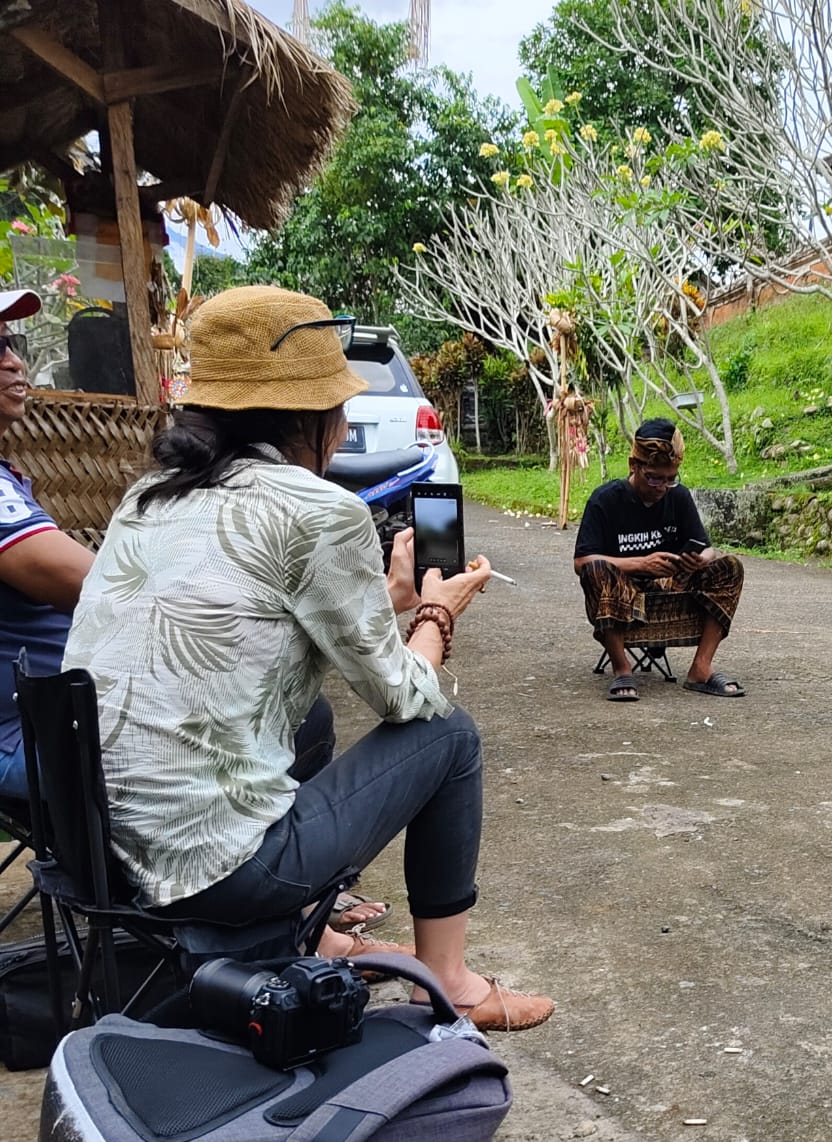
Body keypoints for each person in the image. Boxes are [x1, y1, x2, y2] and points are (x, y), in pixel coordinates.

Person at [64, 285, 552, 1031]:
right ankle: (448, 982)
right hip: (217, 872)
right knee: (450, 736)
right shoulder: (318, 510)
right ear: (310, 416)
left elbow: (267, 625)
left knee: (313, 718)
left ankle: (310, 936)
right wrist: (435, 612)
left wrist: (385, 599)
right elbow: (405, 698)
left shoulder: (150, 496)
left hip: (103, 851)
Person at [574, 418, 746, 701]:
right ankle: (622, 668)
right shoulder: (604, 500)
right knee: (596, 569)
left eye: (670, 478)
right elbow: (581, 562)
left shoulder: (678, 497)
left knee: (729, 568)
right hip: (621, 593)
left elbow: (708, 549)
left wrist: (699, 560)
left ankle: (701, 669)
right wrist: (641, 564)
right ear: (633, 465)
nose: (662, 487)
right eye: (654, 477)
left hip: (672, 589)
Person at [0, 288, 93, 801]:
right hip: (24, 734)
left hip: (45, 709)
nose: (15, 362)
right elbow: (101, 589)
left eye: (12, 345)